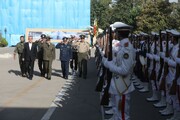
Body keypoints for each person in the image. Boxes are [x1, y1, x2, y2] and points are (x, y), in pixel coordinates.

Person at [102, 22, 135, 120]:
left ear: (119, 34)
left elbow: (124, 70)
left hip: (122, 85)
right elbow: (117, 62)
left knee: (123, 114)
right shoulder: (121, 46)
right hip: (116, 83)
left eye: (115, 32)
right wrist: (109, 62)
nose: (114, 34)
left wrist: (109, 65)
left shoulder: (127, 48)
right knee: (116, 109)